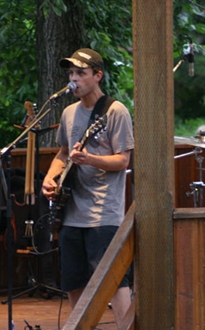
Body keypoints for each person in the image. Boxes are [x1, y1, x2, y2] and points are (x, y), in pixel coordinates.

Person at [41, 48, 134, 327]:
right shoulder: (69, 113)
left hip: (104, 212)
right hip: (71, 210)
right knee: (73, 278)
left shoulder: (115, 111)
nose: (74, 79)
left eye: (80, 73)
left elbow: (123, 160)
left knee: (113, 279)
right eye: (71, 73)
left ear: (97, 75)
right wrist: (50, 177)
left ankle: (125, 326)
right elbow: (63, 153)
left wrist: (90, 158)